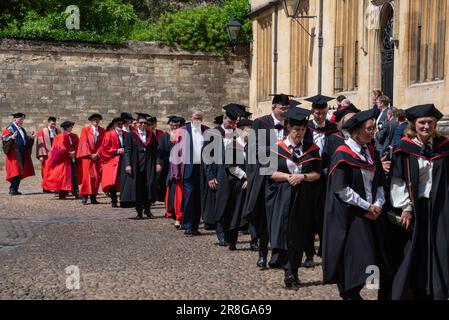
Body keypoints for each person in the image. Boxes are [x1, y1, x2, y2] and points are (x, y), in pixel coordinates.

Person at [322, 108, 390, 300]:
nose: (373, 132)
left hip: (372, 215)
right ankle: (349, 293)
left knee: (373, 262)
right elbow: (341, 189)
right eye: (369, 129)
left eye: (374, 128)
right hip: (350, 217)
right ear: (357, 131)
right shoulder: (342, 154)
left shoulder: (371, 152)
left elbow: (379, 184)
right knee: (358, 260)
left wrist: (377, 203)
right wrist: (366, 207)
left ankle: (363, 292)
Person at [390, 104, 449, 300]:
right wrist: (406, 208)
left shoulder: (443, 145)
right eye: (422, 123)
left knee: (439, 245)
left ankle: (438, 289)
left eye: (430, 122)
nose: (426, 126)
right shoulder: (404, 148)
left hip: (440, 206)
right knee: (416, 247)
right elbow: (397, 180)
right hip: (416, 206)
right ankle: (415, 288)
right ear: (414, 125)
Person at [266, 107, 322, 289]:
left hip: (304, 196)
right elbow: (269, 173)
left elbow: (317, 173)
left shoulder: (312, 150)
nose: (299, 133)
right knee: (286, 234)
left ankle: (294, 269)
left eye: (303, 130)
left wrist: (303, 177)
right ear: (289, 128)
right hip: (283, 196)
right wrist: (287, 177)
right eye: (296, 130)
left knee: (301, 234)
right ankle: (288, 270)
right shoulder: (276, 149)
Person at [243, 93, 292, 270]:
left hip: (285, 178)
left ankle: (278, 256)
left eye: (287, 109)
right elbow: (254, 149)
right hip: (265, 177)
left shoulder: (291, 125)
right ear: (273, 108)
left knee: (282, 218)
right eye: (282, 109)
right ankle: (262, 254)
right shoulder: (260, 123)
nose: (285, 112)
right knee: (263, 216)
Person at [202, 104, 245, 246]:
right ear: (224, 119)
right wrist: (210, 176)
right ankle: (220, 233)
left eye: (234, 123)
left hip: (234, 173)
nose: (232, 125)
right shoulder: (213, 133)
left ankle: (230, 234)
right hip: (218, 172)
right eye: (230, 122)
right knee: (220, 203)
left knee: (232, 204)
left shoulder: (237, 133)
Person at [303, 94, 338, 267]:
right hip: (309, 177)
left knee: (325, 215)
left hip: (327, 178)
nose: (320, 116)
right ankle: (308, 253)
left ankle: (324, 251)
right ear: (312, 112)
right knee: (308, 216)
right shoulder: (305, 128)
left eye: (323, 113)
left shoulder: (333, 129)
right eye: (317, 113)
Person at [170, 109, 209, 236]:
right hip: (187, 166)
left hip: (202, 168)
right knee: (189, 195)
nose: (197, 120)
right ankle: (187, 225)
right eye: (195, 117)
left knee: (199, 197)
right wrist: (175, 170)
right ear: (191, 118)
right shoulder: (183, 131)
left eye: (200, 117)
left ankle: (195, 226)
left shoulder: (206, 130)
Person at [120, 113, 158, 219]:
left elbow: (156, 151)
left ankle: (148, 209)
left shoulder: (151, 135)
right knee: (137, 188)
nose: (143, 125)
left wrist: (158, 163)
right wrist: (128, 165)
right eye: (141, 123)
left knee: (149, 187)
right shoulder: (131, 135)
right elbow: (127, 150)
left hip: (149, 166)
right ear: (136, 124)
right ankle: (139, 212)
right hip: (136, 166)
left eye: (145, 123)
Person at [43, 121, 80, 199]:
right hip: (63, 160)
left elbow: (79, 145)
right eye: (70, 126)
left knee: (74, 175)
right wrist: (69, 153)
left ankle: (76, 192)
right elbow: (59, 148)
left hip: (72, 158)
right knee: (63, 177)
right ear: (66, 127)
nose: (72, 128)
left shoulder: (74, 136)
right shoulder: (59, 136)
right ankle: (63, 194)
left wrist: (75, 152)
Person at [160, 116, 186, 227]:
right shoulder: (165, 136)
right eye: (172, 125)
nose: (174, 127)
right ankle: (175, 214)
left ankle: (181, 216)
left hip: (181, 167)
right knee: (173, 191)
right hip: (170, 167)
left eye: (176, 126)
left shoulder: (184, 136)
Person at [2, 112, 35, 195]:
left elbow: (25, 140)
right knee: (15, 171)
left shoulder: (21, 129)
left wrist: (31, 138)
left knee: (20, 171)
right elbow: (4, 139)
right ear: (14, 120)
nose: (22, 121)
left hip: (22, 153)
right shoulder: (10, 128)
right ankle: (12, 189)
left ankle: (15, 189)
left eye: (22, 119)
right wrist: (11, 137)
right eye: (20, 119)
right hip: (14, 154)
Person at [76, 113, 105, 205]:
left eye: (97, 120)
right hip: (87, 157)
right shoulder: (85, 130)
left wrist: (97, 154)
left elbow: (103, 144)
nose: (96, 121)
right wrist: (90, 154)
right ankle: (84, 197)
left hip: (97, 157)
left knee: (96, 177)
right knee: (87, 177)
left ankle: (93, 197)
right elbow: (84, 142)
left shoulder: (102, 131)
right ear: (91, 121)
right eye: (94, 120)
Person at [99, 117, 127, 208]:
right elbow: (105, 149)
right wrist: (116, 151)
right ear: (114, 125)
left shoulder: (126, 134)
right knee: (113, 181)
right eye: (118, 124)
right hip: (113, 160)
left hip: (124, 160)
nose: (120, 125)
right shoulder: (109, 134)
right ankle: (114, 200)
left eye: (121, 124)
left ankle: (123, 200)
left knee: (124, 180)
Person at [36, 116, 59, 192]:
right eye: (52, 124)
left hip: (55, 155)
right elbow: (40, 144)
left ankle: (55, 187)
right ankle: (46, 188)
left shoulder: (57, 131)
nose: (53, 125)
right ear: (48, 123)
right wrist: (41, 156)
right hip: (46, 155)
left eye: (54, 124)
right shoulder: (42, 131)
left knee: (55, 172)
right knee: (46, 172)